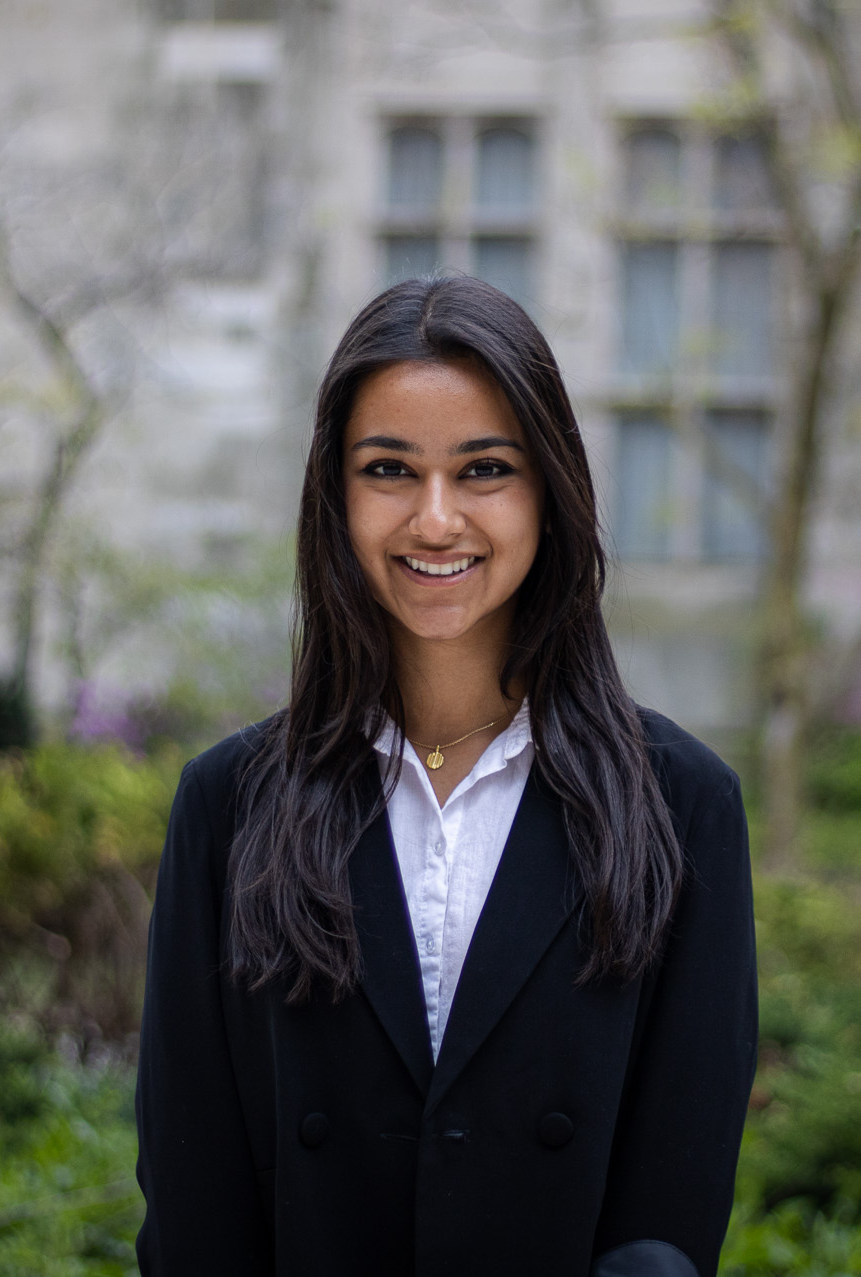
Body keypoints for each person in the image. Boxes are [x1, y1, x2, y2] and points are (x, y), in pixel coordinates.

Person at [134, 275, 757, 1277]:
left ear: (547, 494)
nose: (434, 519)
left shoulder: (682, 808)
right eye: (388, 468)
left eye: (482, 471)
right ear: (334, 499)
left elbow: (669, 1213)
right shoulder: (227, 809)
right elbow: (193, 1203)